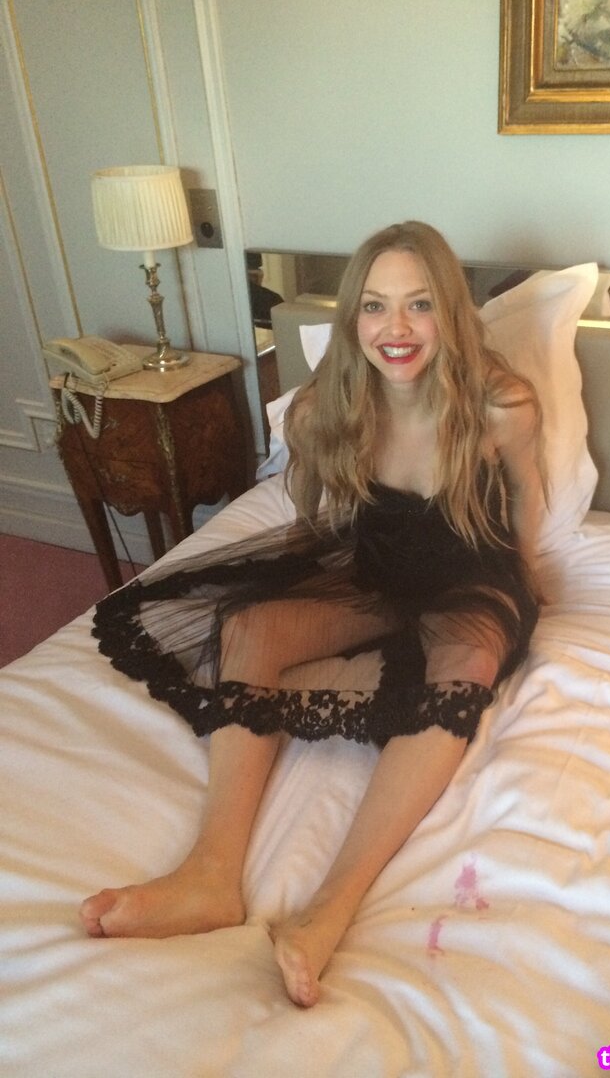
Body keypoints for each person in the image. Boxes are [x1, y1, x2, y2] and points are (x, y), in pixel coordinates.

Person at [81, 221, 545, 1007]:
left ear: (451, 312)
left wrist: (528, 583)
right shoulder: (330, 404)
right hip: (379, 567)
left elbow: (526, 496)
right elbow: (309, 493)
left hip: (472, 570)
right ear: (353, 316)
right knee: (249, 625)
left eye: (420, 304)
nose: (396, 328)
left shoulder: (502, 405)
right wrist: (310, 547)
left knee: (464, 662)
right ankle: (210, 874)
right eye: (375, 306)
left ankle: (331, 905)